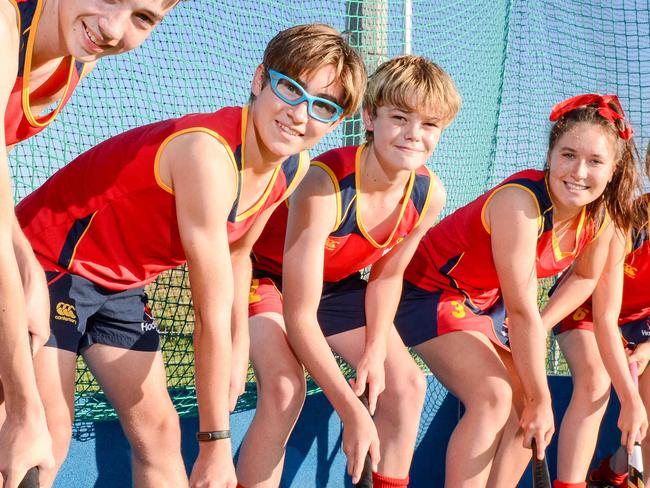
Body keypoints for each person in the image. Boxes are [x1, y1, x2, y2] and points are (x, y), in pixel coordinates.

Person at [15, 23, 366, 488]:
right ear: (260, 80)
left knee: (159, 437)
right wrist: (216, 443)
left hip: (120, 283)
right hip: (46, 261)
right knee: (48, 432)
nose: (300, 115)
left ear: (335, 122)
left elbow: (240, 251)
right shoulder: (208, 153)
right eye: (291, 89)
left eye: (322, 106)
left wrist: (240, 347)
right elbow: (207, 313)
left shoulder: (292, 166)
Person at [393, 94, 648, 487]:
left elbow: (584, 280)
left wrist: (545, 327)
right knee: (497, 398)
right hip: (431, 293)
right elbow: (522, 310)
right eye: (568, 155)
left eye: (595, 161)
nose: (579, 171)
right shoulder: (520, 203)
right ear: (550, 156)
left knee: (522, 408)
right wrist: (539, 394)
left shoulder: (601, 219)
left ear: (613, 170)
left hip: (484, 306)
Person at [237, 55, 460, 488]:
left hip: (335, 288)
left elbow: (387, 276)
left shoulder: (428, 193)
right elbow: (300, 316)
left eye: (430, 125)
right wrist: (352, 409)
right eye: (399, 117)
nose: (414, 134)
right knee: (285, 391)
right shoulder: (324, 184)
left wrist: (375, 349)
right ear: (370, 118)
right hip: (264, 278)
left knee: (407, 385)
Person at [1, 0, 178, 485]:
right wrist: (21, 406)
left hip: (37, 253)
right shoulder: (6, 25)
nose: (114, 27)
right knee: (33, 427)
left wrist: (24, 265)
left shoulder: (79, 54)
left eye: (143, 17)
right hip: (53, 254)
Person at [551, 146, 650, 488]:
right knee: (596, 383)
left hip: (639, 327)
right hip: (589, 308)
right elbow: (604, 311)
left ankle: (618, 471)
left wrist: (648, 346)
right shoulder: (629, 222)